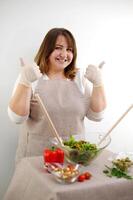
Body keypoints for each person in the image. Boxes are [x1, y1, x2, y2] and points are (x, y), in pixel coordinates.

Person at [8, 27, 106, 165]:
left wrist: (98, 83)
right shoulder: (31, 76)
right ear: (47, 49)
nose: (64, 54)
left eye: (70, 49)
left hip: (74, 158)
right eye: (58, 48)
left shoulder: (79, 79)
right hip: (36, 159)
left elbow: (97, 116)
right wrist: (25, 81)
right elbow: (17, 118)